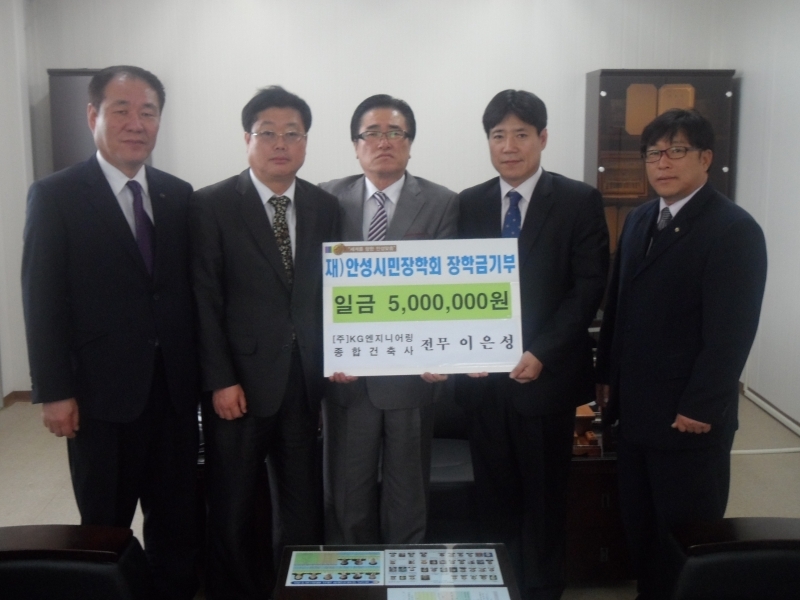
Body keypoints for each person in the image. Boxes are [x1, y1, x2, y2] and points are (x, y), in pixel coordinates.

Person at [21, 65, 200, 599]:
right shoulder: (55, 195)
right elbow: (42, 299)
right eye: (121, 110)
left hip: (173, 393)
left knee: (177, 519)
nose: (136, 123)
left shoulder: (177, 194)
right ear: (93, 115)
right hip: (99, 396)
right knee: (104, 524)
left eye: (148, 112)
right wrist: (54, 391)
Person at [595, 108, 768, 600]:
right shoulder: (640, 219)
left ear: (705, 158)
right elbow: (618, 307)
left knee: (686, 536)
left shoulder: (733, 229)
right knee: (641, 527)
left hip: (687, 420)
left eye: (676, 150)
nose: (662, 163)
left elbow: (732, 332)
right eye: (653, 153)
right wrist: (605, 375)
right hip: (635, 412)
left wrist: (701, 405)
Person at [456, 89, 609, 600]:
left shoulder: (578, 200)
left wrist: (541, 351)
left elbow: (588, 287)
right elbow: (454, 286)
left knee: (544, 499)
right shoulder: (469, 203)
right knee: (493, 497)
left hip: (545, 379)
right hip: (483, 384)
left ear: (542, 138)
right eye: (498, 135)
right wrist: (456, 350)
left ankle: (542, 590)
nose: (509, 146)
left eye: (521, 134)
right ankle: (496, 586)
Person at [190, 86, 340, 600]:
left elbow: (333, 294)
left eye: (293, 134)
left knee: (301, 505)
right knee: (232, 503)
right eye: (268, 133)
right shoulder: (211, 204)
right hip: (239, 386)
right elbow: (205, 298)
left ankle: (295, 590)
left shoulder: (323, 205)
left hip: (302, 383)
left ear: (306, 142)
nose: (281, 143)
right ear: (247, 139)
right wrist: (220, 380)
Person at [320, 94, 459, 545]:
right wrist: (327, 353)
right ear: (355, 145)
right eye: (372, 133)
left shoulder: (441, 202)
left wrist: (444, 354)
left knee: (407, 500)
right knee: (347, 501)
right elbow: (312, 288)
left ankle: (405, 576)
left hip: (412, 378)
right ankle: (353, 579)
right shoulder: (325, 198)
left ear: (410, 143)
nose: (384, 142)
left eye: (395, 132)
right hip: (347, 379)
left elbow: (447, 290)